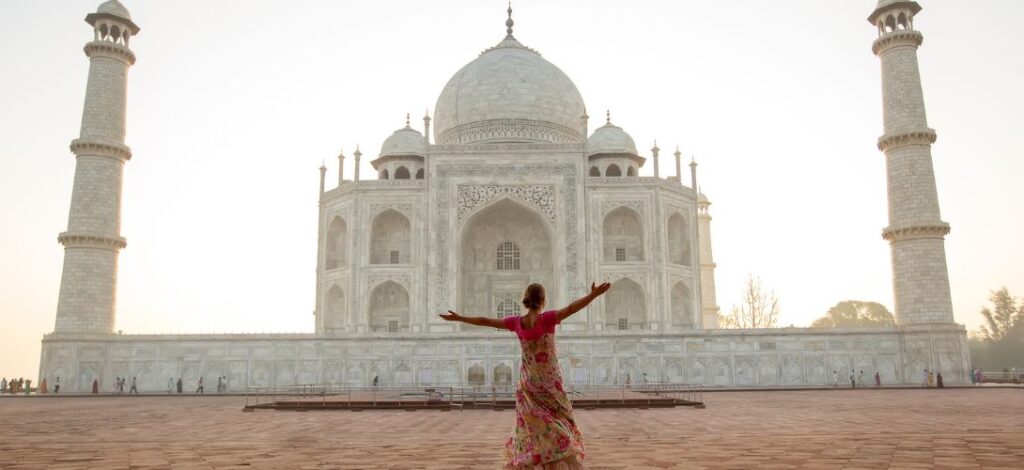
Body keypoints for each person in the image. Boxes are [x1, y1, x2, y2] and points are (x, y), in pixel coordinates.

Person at [441, 281, 611, 469]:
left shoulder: (516, 323)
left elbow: (485, 321)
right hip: (549, 382)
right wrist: (593, 295)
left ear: (526, 301)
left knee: (532, 422)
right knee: (560, 419)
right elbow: (571, 308)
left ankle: (540, 456)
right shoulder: (546, 319)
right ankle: (558, 453)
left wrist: (459, 318)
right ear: (543, 300)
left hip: (528, 382)